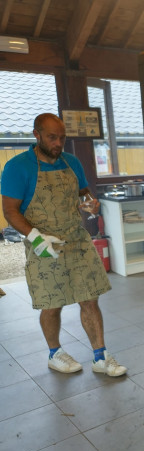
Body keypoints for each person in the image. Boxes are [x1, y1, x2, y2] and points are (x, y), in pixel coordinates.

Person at [0, 113, 127, 376]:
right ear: (37, 135)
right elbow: (10, 211)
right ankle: (54, 353)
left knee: (89, 299)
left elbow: (83, 192)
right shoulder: (17, 167)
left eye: (62, 138)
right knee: (52, 303)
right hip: (41, 243)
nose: (58, 143)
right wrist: (36, 237)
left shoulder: (71, 162)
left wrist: (91, 202)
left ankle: (100, 357)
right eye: (52, 137)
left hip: (76, 239)